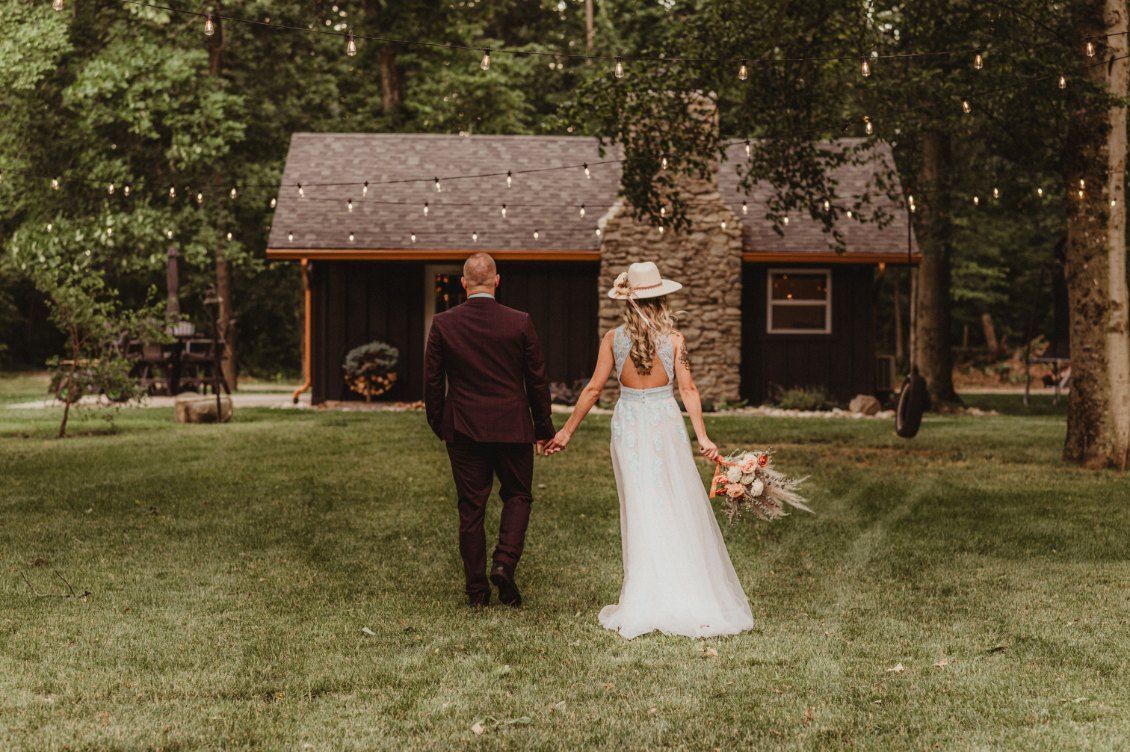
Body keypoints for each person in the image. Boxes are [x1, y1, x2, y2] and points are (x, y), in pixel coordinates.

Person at [544, 261, 754, 639]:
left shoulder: (613, 338)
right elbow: (688, 390)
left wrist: (567, 431)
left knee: (640, 503)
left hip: (629, 425)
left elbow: (593, 389)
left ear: (628, 300)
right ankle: (679, 587)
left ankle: (647, 591)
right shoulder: (674, 340)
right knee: (672, 499)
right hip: (664, 422)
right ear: (661, 298)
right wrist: (702, 437)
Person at [424, 253, 555, 608]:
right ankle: (504, 562)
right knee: (518, 495)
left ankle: (476, 591)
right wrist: (543, 429)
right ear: (497, 281)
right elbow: (537, 381)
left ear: (464, 283)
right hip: (513, 427)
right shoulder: (520, 322)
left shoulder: (443, 324)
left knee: (471, 507)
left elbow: (432, 384)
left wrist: (441, 425)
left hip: (463, 428)